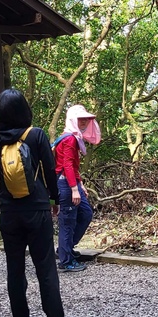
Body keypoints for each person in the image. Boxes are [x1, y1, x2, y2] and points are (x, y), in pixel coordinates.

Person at [0, 89, 75, 317]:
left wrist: (1, 195)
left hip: (10, 213)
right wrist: (54, 199)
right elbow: (50, 170)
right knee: (44, 265)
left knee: (15, 266)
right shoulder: (36, 135)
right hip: (37, 208)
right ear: (24, 110)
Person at [54, 104, 101, 272]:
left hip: (71, 182)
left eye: (85, 120)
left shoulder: (73, 137)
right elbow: (66, 164)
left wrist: (79, 184)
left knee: (86, 213)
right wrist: (74, 189)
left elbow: (73, 165)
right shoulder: (69, 138)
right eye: (80, 119)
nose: (84, 123)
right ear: (73, 120)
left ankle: (65, 249)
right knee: (68, 220)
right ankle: (66, 261)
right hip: (66, 184)